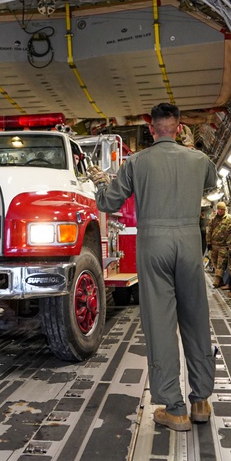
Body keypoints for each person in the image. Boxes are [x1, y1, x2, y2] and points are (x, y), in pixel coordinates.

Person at [88, 103, 217, 432]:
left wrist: (102, 182)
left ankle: (174, 409)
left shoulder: (137, 162)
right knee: (196, 318)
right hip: (189, 243)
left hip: (153, 243)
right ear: (178, 126)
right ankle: (201, 401)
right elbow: (209, 185)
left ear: (151, 128)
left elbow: (108, 203)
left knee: (161, 323)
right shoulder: (200, 159)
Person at [209, 202, 231, 289]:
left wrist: (230, 242)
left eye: (222, 209)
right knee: (215, 263)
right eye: (218, 209)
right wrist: (208, 243)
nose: (220, 211)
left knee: (221, 263)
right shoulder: (213, 219)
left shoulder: (229, 218)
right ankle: (221, 281)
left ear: (225, 209)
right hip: (214, 245)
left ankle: (216, 281)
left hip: (223, 245)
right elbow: (209, 231)